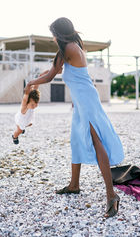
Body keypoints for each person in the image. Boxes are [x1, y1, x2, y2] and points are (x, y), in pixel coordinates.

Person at [25, 17, 124, 218]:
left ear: (59, 33)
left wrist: (30, 84)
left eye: (53, 33)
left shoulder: (67, 49)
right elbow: (53, 70)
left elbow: (51, 76)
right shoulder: (71, 46)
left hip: (86, 101)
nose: (52, 37)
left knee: (97, 143)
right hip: (82, 101)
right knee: (77, 140)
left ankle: (111, 195)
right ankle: (74, 185)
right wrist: (35, 80)